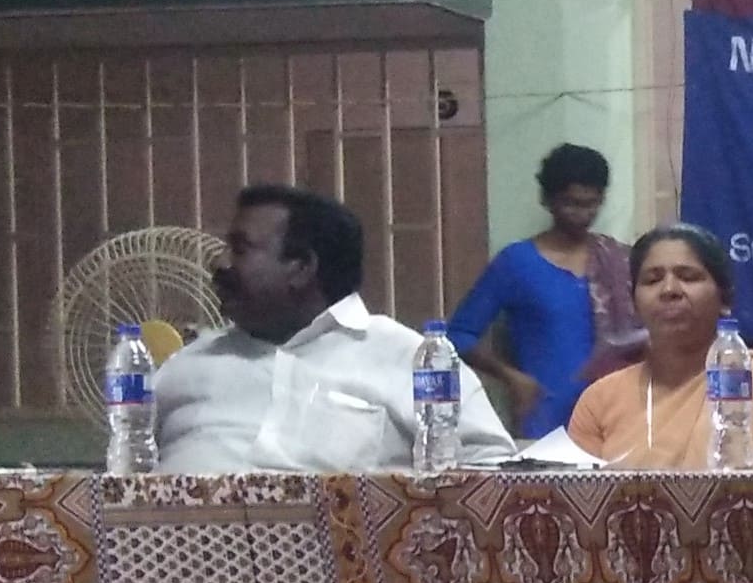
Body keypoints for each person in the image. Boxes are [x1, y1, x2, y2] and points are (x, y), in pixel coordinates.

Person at [155, 184, 512, 474]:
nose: (218, 262)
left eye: (240, 249)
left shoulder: (409, 360)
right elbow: (130, 458)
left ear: (301, 267)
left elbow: (491, 472)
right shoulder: (187, 365)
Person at [565, 225, 753, 470]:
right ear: (634, 302)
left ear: (725, 299)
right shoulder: (599, 400)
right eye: (652, 280)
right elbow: (577, 499)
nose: (669, 290)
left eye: (688, 277)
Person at [447, 143, 644, 437]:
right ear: (547, 199)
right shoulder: (517, 263)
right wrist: (511, 377)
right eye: (571, 204)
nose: (582, 214)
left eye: (591, 204)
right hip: (545, 420)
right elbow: (458, 336)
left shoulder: (619, 262)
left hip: (617, 419)